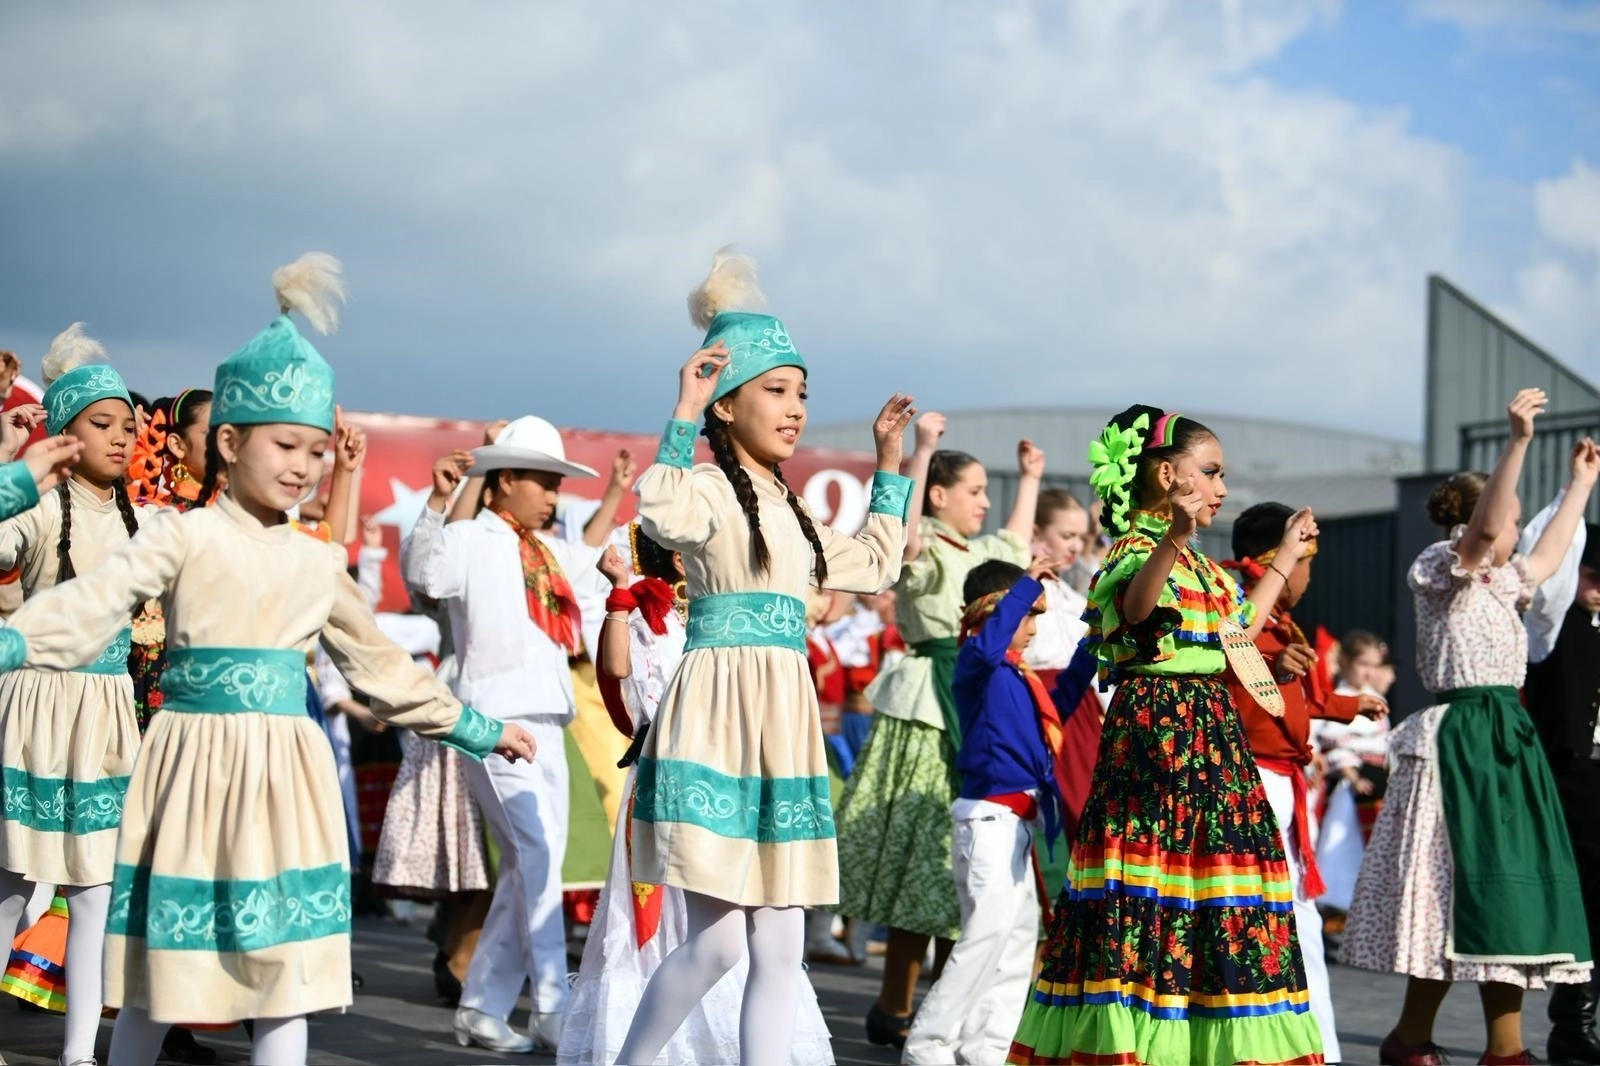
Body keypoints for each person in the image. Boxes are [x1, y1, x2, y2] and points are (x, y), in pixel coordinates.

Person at [0, 252, 536, 1066]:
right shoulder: (181, 534)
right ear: (227, 441)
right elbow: (92, 600)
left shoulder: (316, 560)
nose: (302, 466)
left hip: (287, 776)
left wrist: (476, 728)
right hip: (189, 765)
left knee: (286, 982)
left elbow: (381, 666)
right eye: (286, 444)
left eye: (316, 451)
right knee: (160, 978)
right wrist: (13, 641)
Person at [615, 248, 914, 1066]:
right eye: (776, 391)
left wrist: (890, 462)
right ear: (727, 404)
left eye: (801, 393)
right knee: (717, 946)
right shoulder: (710, 491)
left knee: (781, 947)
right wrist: (684, 407)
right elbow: (661, 512)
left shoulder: (794, 508)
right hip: (718, 716)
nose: (795, 409)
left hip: (782, 721)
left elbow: (877, 564)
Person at [1010, 404, 1326, 1066]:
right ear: (1165, 475)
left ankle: (1199, 1046)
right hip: (1160, 740)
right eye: (1209, 472)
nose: (1220, 488)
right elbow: (1137, 609)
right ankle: (1139, 1046)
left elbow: (1237, 631)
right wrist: (1174, 537)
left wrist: (1286, 556)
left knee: (1212, 899)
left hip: (1213, 743)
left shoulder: (1204, 569)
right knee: (1152, 892)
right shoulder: (1136, 550)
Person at [1341, 389, 1597, 1066]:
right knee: (1451, 892)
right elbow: (1483, 536)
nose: (1517, 529)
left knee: (1507, 890)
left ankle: (1496, 1046)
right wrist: (1518, 442)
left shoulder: (1504, 583)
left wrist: (1580, 485)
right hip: (1462, 741)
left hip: (1505, 738)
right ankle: (1418, 1038)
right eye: (1512, 516)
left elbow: (1547, 558)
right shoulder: (1440, 568)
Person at [562, 525, 835, 1065]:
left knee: (773, 943)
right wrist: (619, 593)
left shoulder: (731, 612)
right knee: (711, 942)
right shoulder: (650, 614)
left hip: (754, 773)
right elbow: (614, 671)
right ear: (683, 560)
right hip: (680, 772)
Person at [403, 414, 608, 1054]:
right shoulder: (468, 536)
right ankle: (551, 1004)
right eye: (544, 482)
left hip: (549, 719)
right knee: (537, 857)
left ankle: (481, 1008)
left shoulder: (550, 551)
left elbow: (612, 562)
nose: (554, 495)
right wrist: (438, 501)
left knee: (528, 868)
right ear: (506, 478)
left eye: (557, 484)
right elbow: (425, 575)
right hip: (492, 722)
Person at [837, 410, 1042, 1049]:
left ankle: (953, 1012)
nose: (984, 502)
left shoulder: (981, 555)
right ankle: (896, 1003)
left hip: (977, 704)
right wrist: (921, 449)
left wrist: (1031, 478)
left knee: (966, 875)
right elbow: (899, 542)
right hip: (929, 706)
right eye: (974, 491)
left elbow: (1016, 548)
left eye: (986, 492)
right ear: (937, 497)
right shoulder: (924, 543)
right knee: (921, 857)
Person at [0, 323, 149, 1066]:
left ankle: (80, 1053)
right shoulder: (37, 507)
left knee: (95, 892)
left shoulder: (144, 521)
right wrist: (11, 468)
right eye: (102, 423)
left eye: (128, 425)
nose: (121, 437)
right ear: (64, 434)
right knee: (11, 883)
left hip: (107, 712)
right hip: (37, 704)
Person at [1222, 502, 1390, 1063]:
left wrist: (1349, 705)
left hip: (1281, 787)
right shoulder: (1238, 618)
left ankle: (1316, 1051)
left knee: (1299, 923)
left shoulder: (1274, 625)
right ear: (1278, 559)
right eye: (1305, 561)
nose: (1310, 576)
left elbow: (1304, 700)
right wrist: (1273, 670)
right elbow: (1235, 681)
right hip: (1254, 787)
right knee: (1269, 924)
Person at [903, 557, 1064, 1065]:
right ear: (994, 613)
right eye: (1027, 613)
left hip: (1017, 825)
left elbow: (1066, 702)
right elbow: (992, 643)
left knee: (1016, 944)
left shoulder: (1018, 677)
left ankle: (986, 1051)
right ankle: (927, 1047)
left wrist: (1094, 646)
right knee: (984, 937)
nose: (1033, 627)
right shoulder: (976, 661)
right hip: (987, 820)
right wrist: (1026, 584)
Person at [1525, 523, 1600, 1063]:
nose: (1598, 590)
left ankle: (1578, 1024)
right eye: (1592, 576)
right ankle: (1573, 1023)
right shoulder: (1553, 625)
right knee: (1584, 902)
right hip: (1571, 775)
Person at [1313, 630, 1393, 925]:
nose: (1368, 672)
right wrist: (1352, 776)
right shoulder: (1339, 698)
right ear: (1345, 662)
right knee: (1344, 845)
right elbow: (1334, 744)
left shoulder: (1375, 697)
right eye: (1363, 664)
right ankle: (1338, 908)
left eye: (1374, 665)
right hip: (1351, 785)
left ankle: (1368, 909)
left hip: (1378, 781)